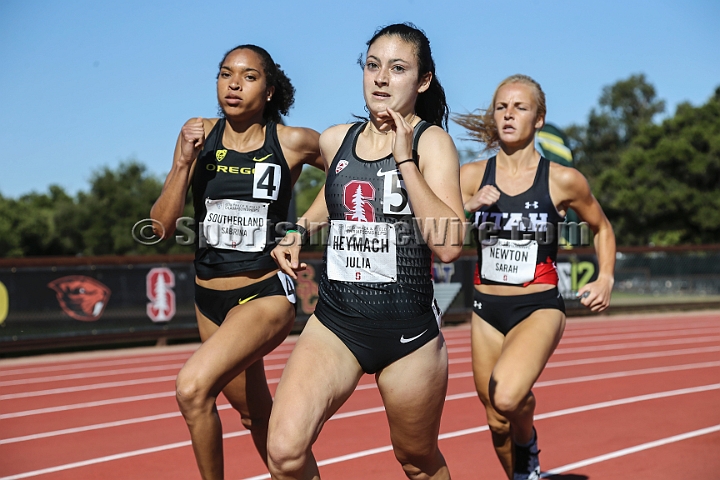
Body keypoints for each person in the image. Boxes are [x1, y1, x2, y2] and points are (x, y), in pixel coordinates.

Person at [266, 23, 465, 480]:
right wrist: (298, 230)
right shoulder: (338, 138)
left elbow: (450, 246)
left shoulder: (433, 143)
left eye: (397, 69)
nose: (380, 78)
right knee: (284, 452)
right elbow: (333, 197)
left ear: (423, 81)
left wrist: (404, 158)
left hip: (408, 336)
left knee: (416, 461)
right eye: (372, 66)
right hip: (336, 324)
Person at [149, 44, 323, 480]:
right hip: (208, 299)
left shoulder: (292, 141)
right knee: (254, 415)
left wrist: (299, 230)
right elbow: (160, 228)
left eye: (248, 76)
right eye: (226, 74)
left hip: (263, 294)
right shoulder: (197, 135)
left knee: (191, 389)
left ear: (268, 90)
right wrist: (182, 165)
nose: (233, 84)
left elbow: (347, 171)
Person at [454, 74, 616, 480]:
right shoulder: (471, 175)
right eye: (501, 107)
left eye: (520, 107)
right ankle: (524, 474)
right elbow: (441, 236)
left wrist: (605, 276)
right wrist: (470, 205)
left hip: (537, 305)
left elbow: (602, 227)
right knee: (494, 419)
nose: (508, 115)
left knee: (507, 396)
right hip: (484, 307)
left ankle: (527, 444)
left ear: (539, 119)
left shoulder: (562, 180)